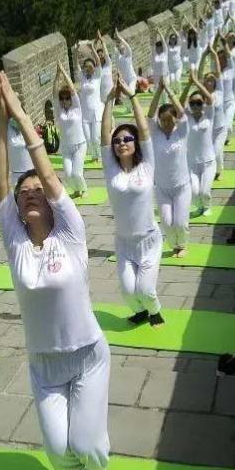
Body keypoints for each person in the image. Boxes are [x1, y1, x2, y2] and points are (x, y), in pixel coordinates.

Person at [0, 70, 110, 470]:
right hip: (43, 365)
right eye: (25, 193)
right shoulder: (15, 241)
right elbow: (1, 183)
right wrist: (0, 121)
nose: (31, 193)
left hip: (87, 356)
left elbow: (45, 170)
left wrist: (21, 115)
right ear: (19, 208)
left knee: (88, 441)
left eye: (39, 189)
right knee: (60, 452)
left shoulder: (71, 232)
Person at [101, 77, 164, 327]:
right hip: (124, 242)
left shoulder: (147, 165)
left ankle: (154, 310)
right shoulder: (111, 170)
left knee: (146, 290)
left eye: (127, 139)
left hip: (148, 239)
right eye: (117, 141)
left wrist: (132, 96)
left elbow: (145, 129)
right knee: (128, 291)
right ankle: (140, 311)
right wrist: (108, 100)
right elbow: (105, 134)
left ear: (135, 143)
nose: (121, 144)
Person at [147, 76, 192, 258]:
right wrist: (158, 91)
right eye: (163, 120)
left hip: (182, 186)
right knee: (166, 221)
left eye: (169, 119)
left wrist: (170, 92)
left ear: (175, 119)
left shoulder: (181, 132)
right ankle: (174, 245)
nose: (166, 122)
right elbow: (149, 115)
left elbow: (181, 112)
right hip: (162, 187)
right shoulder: (155, 133)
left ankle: (182, 245)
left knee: (180, 222)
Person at [52, 63, 87, 199]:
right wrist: (57, 75)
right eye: (63, 98)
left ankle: (83, 189)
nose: (65, 100)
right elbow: (54, 93)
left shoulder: (76, 108)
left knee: (77, 173)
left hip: (80, 145)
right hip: (66, 147)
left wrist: (64, 73)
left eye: (67, 98)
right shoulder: (59, 110)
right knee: (68, 174)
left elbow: (72, 88)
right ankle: (76, 190)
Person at [185, 69, 216, 216]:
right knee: (194, 192)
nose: (196, 106)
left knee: (204, 191)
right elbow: (179, 103)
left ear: (203, 104)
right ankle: (200, 206)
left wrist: (197, 82)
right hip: (191, 162)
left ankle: (207, 205)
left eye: (199, 103)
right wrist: (188, 85)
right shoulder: (187, 117)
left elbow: (210, 98)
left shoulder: (208, 115)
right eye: (193, 103)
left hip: (208, 161)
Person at [199, 42, 226, 180]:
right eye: (207, 80)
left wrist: (214, 53)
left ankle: (218, 170)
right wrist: (203, 56)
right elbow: (198, 76)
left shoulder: (219, 91)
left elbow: (218, 71)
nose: (209, 82)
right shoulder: (202, 96)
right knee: (211, 153)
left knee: (216, 152)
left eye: (211, 80)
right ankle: (216, 168)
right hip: (209, 130)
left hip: (220, 129)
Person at [73, 41, 103, 164]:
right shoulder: (83, 77)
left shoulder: (97, 76)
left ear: (94, 68)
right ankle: (94, 156)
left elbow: (99, 62)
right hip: (85, 114)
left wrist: (92, 49)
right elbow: (76, 65)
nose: (89, 68)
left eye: (91, 67)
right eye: (87, 67)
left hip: (96, 113)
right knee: (88, 138)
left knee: (96, 138)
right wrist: (75, 52)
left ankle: (99, 155)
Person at [7, 117, 31, 186]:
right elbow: (15, 144)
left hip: (29, 168)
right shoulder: (8, 128)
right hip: (16, 170)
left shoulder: (26, 124)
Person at [114, 30, 138, 95]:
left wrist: (119, 37)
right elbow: (115, 48)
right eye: (118, 45)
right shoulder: (118, 57)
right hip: (125, 80)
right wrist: (116, 39)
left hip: (132, 78)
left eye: (121, 44)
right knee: (128, 96)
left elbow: (127, 46)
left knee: (131, 92)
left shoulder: (128, 54)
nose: (120, 46)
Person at [95, 31, 114, 105]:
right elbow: (94, 54)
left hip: (110, 92)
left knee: (110, 114)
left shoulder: (108, 64)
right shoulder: (97, 68)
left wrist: (102, 41)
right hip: (101, 95)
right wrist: (96, 41)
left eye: (101, 55)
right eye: (98, 55)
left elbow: (106, 53)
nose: (100, 56)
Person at [167, 28, 184, 94]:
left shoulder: (178, 45)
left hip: (178, 66)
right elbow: (165, 38)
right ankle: (174, 91)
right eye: (171, 38)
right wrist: (168, 30)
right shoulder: (168, 46)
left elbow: (179, 36)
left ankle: (179, 91)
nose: (173, 40)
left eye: (174, 38)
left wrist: (173, 28)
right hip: (171, 68)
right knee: (172, 80)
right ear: (170, 39)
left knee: (177, 79)